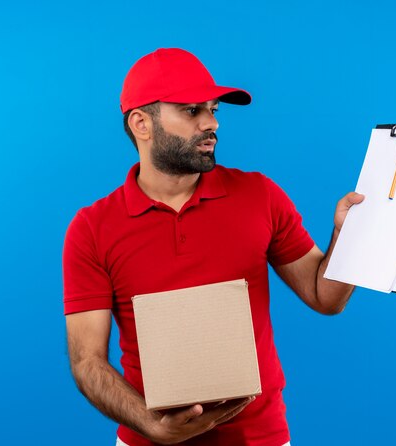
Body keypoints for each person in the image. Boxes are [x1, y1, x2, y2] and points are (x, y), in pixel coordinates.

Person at [63, 48, 364, 446]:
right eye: (192, 111)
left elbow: (326, 297)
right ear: (141, 123)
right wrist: (152, 426)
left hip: (259, 438)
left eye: (213, 108)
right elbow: (87, 361)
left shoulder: (260, 195)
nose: (212, 123)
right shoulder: (92, 228)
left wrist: (352, 237)